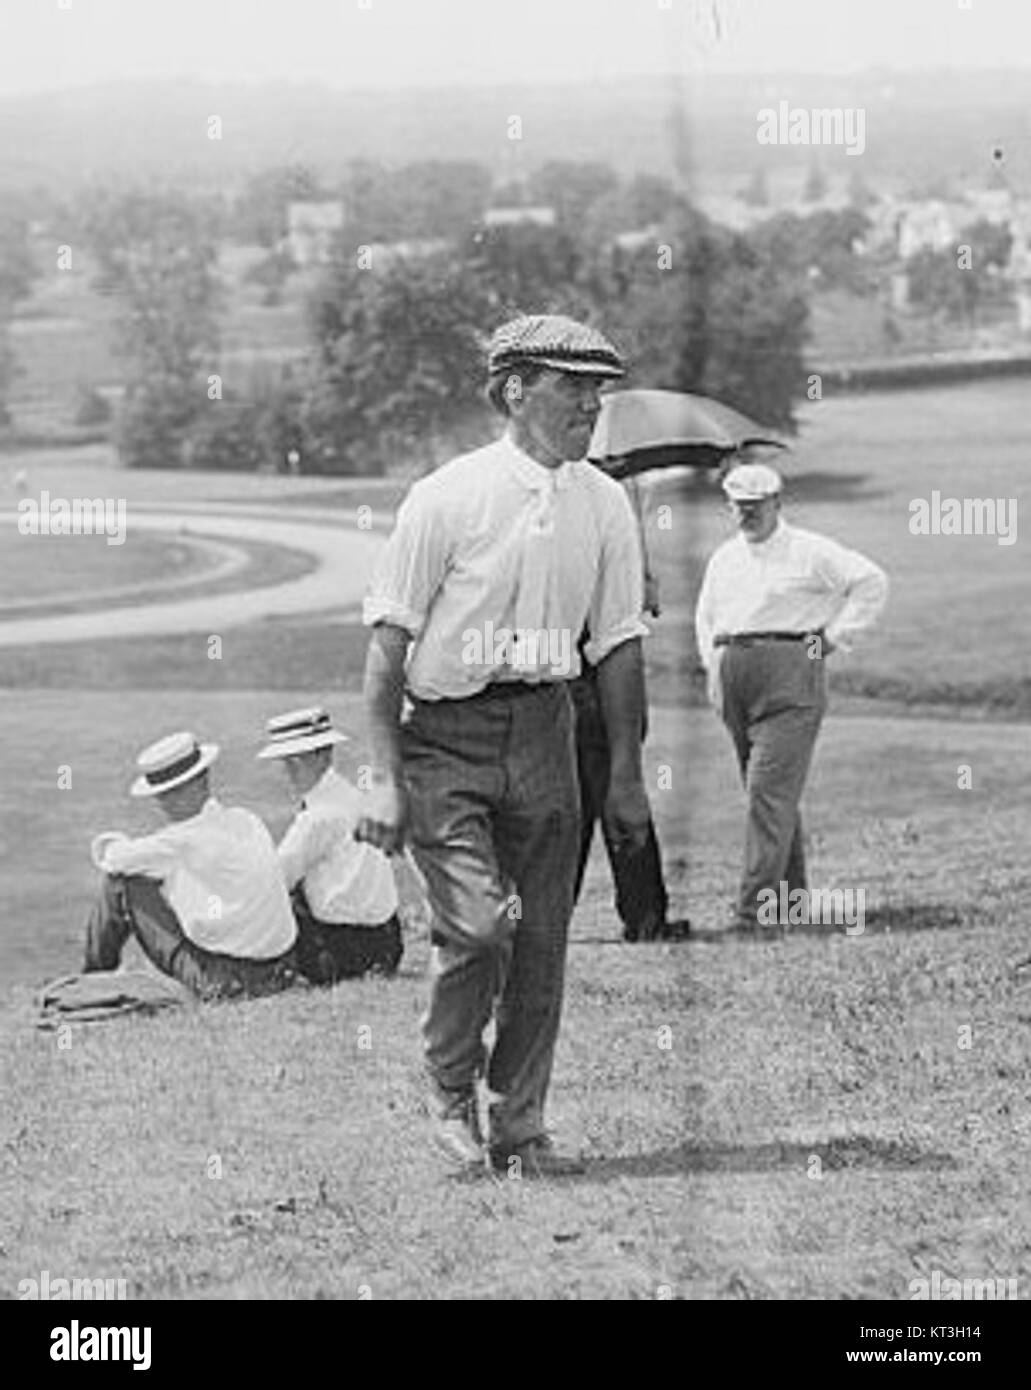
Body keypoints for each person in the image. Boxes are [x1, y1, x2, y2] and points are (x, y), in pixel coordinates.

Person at [358, 313, 652, 1177]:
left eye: (598, 391)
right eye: (572, 388)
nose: (590, 406)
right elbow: (387, 648)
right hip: (443, 739)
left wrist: (627, 774)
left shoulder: (603, 503)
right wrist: (382, 778)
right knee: (480, 927)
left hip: (546, 732)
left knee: (542, 940)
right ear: (515, 390)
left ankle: (520, 1123)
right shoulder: (445, 497)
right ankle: (446, 1088)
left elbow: (620, 644)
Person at [694, 461, 888, 935]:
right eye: (739, 507)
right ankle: (792, 901)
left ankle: (751, 915)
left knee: (766, 794)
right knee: (771, 798)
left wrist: (832, 640)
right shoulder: (724, 557)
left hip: (790, 678)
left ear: (777, 503)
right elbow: (707, 617)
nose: (747, 515)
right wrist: (713, 668)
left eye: (756, 506)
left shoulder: (810, 550)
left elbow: (871, 582)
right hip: (734, 679)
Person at [83, 732, 298, 999]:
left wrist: (125, 844)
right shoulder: (247, 819)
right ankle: (93, 980)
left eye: (163, 795)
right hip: (284, 971)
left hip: (227, 981)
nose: (161, 803)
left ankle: (90, 981)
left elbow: (112, 858)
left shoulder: (178, 841)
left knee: (122, 882)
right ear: (204, 778)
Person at [571, 467, 690, 943]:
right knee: (598, 801)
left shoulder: (605, 513)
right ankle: (642, 917)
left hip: (602, 688)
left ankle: (641, 915)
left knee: (609, 799)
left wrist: (641, 581)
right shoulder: (585, 531)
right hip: (588, 686)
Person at [258, 706, 403, 983]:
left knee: (273, 896)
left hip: (341, 953)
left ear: (307, 759)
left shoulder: (317, 816)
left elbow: (276, 880)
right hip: (388, 945)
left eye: (289, 762)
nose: (285, 772)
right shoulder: (355, 796)